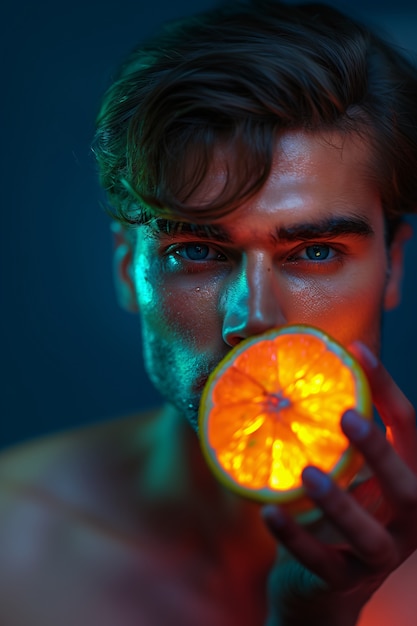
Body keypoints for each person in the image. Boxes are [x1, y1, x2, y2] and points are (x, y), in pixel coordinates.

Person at [1, 0, 417, 624]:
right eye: (197, 250)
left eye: (316, 251)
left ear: (394, 266)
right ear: (125, 266)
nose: (252, 318)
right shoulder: (15, 553)